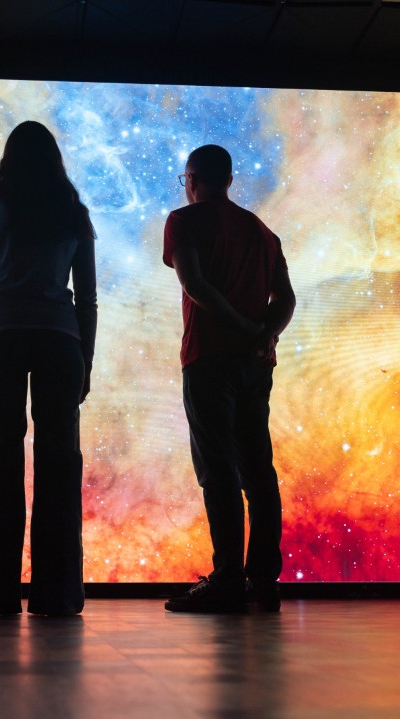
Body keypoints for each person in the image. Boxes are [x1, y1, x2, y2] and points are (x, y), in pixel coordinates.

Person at [0, 120, 97, 617]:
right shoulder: (74, 214)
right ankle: (57, 595)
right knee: (60, 464)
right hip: (60, 340)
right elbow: (87, 297)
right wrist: (87, 360)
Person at [162, 145, 295, 613]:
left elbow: (195, 285)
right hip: (255, 364)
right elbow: (286, 300)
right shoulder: (263, 232)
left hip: (208, 357)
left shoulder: (184, 221)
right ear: (230, 180)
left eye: (185, 180)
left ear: (193, 180)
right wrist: (264, 334)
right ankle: (264, 583)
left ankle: (227, 582)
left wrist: (240, 327)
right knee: (258, 471)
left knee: (218, 471)